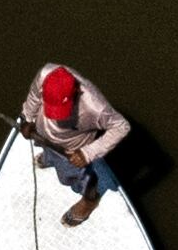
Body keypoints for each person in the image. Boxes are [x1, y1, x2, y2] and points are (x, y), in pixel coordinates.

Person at [17, 62, 131, 226]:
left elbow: (121, 127)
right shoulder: (45, 74)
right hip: (43, 132)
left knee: (73, 178)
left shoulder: (96, 107)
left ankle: (89, 201)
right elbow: (34, 95)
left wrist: (88, 153)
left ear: (76, 91)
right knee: (47, 152)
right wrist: (27, 117)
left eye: (62, 109)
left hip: (71, 150)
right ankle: (49, 159)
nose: (56, 116)